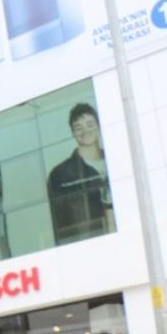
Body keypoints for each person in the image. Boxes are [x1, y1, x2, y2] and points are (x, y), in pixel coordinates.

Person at [47, 103, 113, 244]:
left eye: (90, 125)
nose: (85, 131)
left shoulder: (115, 161)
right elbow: (61, 223)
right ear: (73, 133)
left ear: (99, 127)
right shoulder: (60, 175)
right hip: (89, 245)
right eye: (78, 128)